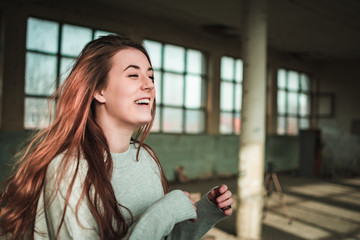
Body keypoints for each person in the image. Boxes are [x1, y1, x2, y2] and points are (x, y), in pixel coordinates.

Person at [0, 35, 233, 240]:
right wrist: (165, 212)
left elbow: (161, 236)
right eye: (133, 75)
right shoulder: (68, 169)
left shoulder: (146, 159)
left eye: (151, 76)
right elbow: (155, 223)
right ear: (99, 91)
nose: (149, 85)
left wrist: (206, 211)